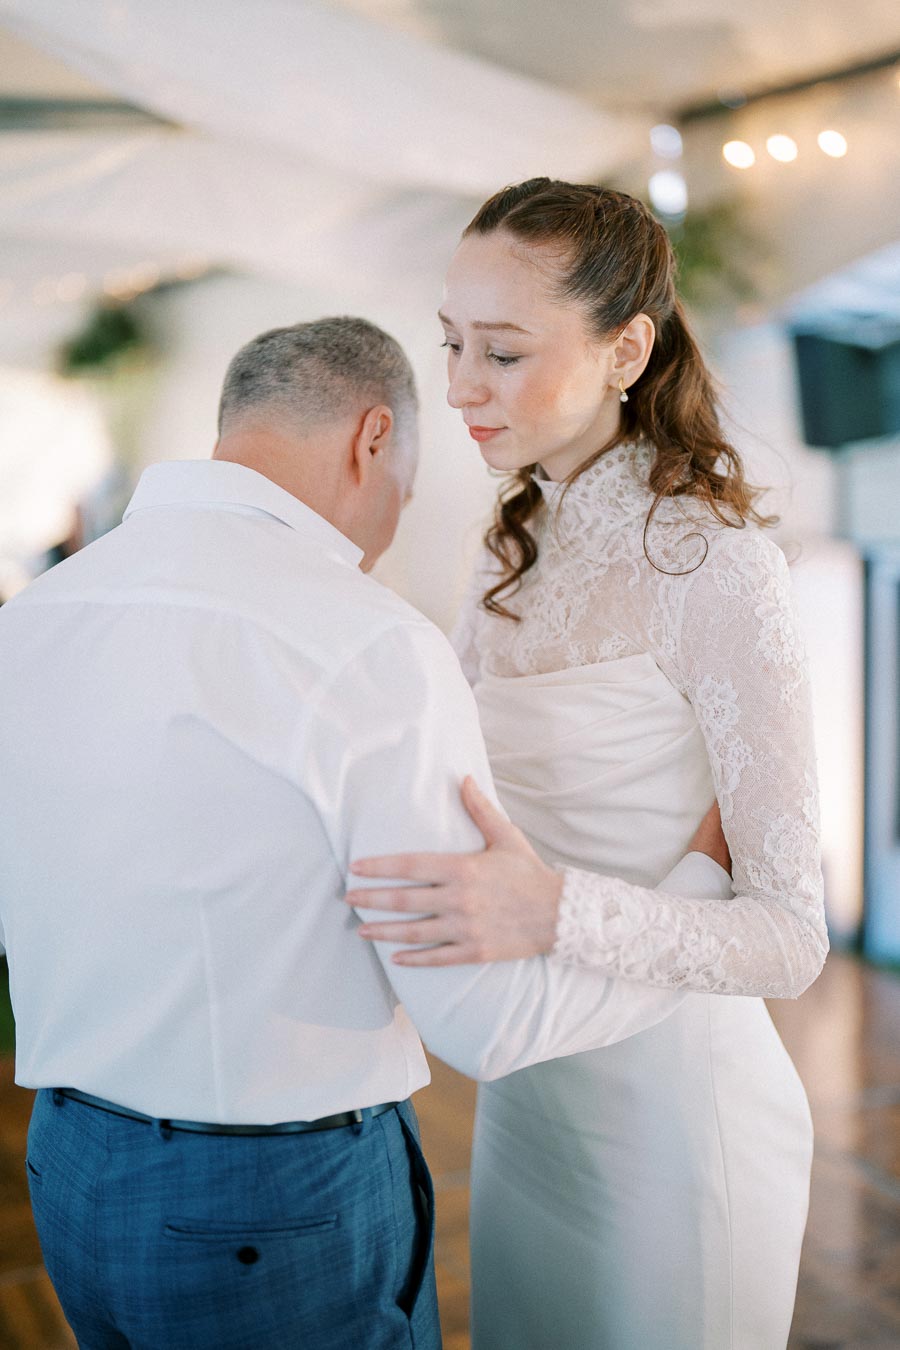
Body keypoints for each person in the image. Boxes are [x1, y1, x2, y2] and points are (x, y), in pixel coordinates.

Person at [0, 316, 733, 1350]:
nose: (392, 520)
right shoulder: (365, 639)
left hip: (68, 1170)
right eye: (410, 485)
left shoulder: (32, 619)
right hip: (269, 1205)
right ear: (373, 440)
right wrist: (701, 889)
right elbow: (480, 1021)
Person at [347, 182, 829, 1350]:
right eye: (453, 342)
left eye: (503, 352)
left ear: (627, 350)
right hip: (534, 1097)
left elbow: (791, 936)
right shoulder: (513, 543)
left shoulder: (717, 568)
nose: (458, 386)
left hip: (675, 1121)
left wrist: (553, 909)